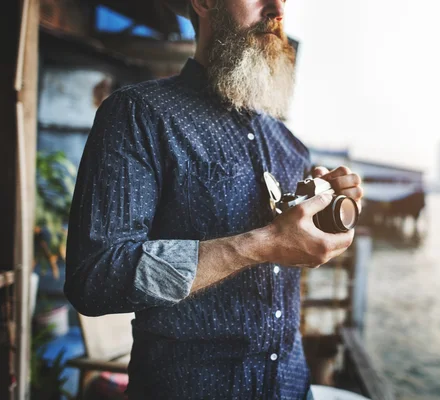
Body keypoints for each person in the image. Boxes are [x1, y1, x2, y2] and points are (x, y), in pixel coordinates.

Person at [64, 0, 364, 398]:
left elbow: (290, 258)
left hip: (292, 388)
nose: (277, 9)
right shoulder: (139, 114)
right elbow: (95, 278)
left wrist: (323, 216)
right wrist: (263, 244)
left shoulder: (293, 148)